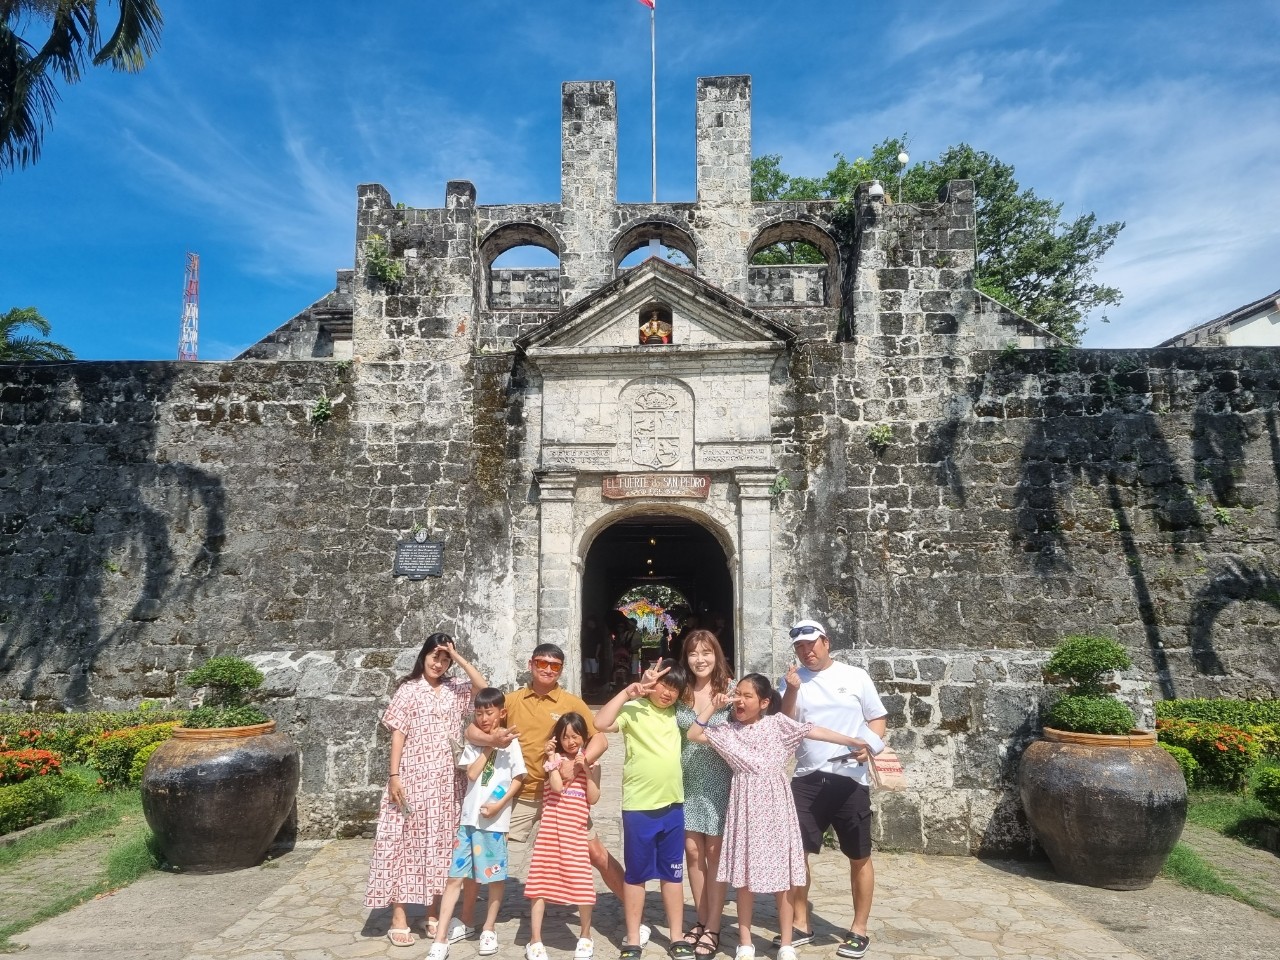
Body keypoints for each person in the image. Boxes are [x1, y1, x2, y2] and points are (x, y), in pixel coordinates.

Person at [687, 674, 875, 960]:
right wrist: (713, 706)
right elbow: (694, 734)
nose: (739, 700)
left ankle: (787, 941)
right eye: (736, 693)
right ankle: (746, 941)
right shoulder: (727, 731)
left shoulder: (778, 724)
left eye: (746, 695)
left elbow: (814, 730)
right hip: (744, 811)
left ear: (764, 702)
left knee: (783, 877)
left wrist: (853, 740)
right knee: (745, 877)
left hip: (776, 810)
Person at [465, 644, 639, 938]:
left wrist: (579, 764)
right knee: (485, 846)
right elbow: (474, 730)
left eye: (555, 665)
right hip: (520, 792)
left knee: (595, 853)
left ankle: (636, 916)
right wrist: (491, 741)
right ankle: (466, 918)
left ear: (561, 669)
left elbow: (599, 739)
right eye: (542, 663)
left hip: (562, 796)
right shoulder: (514, 700)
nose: (547, 669)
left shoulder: (571, 702)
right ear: (530, 664)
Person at [365, 634, 488, 948]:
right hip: (412, 779)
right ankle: (399, 915)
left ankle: (432, 912)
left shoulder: (453, 689)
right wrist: (394, 776)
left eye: (444, 658)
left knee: (441, 846)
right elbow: (398, 734)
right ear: (423, 656)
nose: (439, 663)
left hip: (447, 784)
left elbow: (483, 688)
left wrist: (458, 657)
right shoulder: (408, 690)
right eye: (435, 656)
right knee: (405, 845)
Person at [780, 619, 887, 960]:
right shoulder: (792, 683)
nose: (806, 651)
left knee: (859, 855)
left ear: (826, 642)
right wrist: (792, 689)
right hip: (807, 778)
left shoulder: (855, 676)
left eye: (812, 643)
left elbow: (878, 719)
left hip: (850, 778)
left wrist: (867, 746)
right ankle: (800, 921)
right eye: (799, 646)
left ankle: (858, 928)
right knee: (798, 855)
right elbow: (785, 724)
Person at [595, 660, 689, 960]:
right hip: (638, 807)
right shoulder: (633, 710)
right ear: (652, 684)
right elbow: (600, 723)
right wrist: (628, 692)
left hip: (673, 805)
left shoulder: (678, 714)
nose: (668, 693)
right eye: (664, 685)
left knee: (673, 874)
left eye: (675, 689)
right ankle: (633, 938)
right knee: (636, 875)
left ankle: (676, 936)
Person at [427, 687, 527, 960]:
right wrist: (490, 744)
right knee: (455, 878)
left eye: (489, 712)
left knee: (494, 877)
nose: (484, 718)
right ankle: (441, 937)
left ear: (501, 713)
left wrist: (499, 803)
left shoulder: (513, 744)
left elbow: (518, 778)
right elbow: (472, 772)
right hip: (468, 821)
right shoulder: (476, 743)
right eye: (479, 712)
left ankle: (489, 928)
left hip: (494, 823)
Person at [674, 630, 733, 960]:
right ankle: (700, 917)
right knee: (693, 853)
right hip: (684, 780)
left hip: (719, 780)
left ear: (717, 655)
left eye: (707, 652)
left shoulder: (731, 690)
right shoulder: (679, 691)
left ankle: (713, 925)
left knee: (714, 854)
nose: (700, 659)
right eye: (694, 653)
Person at [524, 712, 600, 960]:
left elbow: (594, 798)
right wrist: (550, 758)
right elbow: (556, 786)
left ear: (583, 737)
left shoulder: (592, 763)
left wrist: (585, 770)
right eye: (565, 736)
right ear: (558, 739)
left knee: (583, 885)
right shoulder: (553, 760)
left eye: (575, 736)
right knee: (539, 885)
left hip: (576, 834)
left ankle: (585, 936)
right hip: (550, 833)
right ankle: (535, 940)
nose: (570, 741)